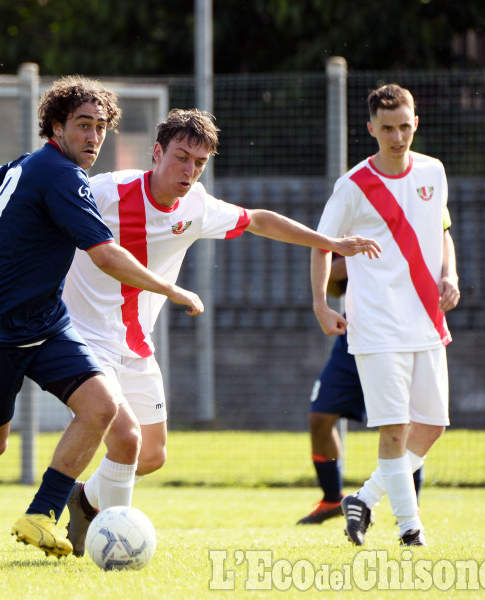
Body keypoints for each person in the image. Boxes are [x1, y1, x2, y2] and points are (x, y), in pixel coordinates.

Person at [0, 76, 204, 568]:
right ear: (55, 126)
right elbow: (105, 254)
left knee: (100, 408)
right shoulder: (60, 175)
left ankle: (41, 514)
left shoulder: (27, 165)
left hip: (47, 323)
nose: (93, 137)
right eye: (82, 125)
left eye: (100, 127)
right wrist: (171, 288)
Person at [61, 108, 382, 556]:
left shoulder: (198, 207)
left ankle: (83, 498)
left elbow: (260, 220)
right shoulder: (104, 191)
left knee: (151, 455)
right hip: (83, 338)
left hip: (135, 346)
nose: (188, 170)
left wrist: (328, 243)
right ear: (156, 153)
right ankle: (114, 551)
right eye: (180, 157)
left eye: (199, 162)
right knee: (126, 439)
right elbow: (46, 219)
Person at [310, 83, 460, 547]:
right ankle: (410, 530)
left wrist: (450, 274)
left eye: (404, 127)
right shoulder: (353, 185)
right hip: (376, 324)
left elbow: (442, 229)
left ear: (416, 123)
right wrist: (321, 303)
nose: (397, 137)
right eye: (387, 129)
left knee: (432, 425)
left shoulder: (433, 170)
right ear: (371, 129)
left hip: (428, 322)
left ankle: (364, 498)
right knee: (393, 429)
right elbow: (321, 244)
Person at [296, 255, 423, 525]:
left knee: (404, 424)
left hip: (399, 333)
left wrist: (358, 261)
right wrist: (347, 259)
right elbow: (333, 283)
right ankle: (332, 499)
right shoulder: (350, 222)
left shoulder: (411, 220)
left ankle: (411, 507)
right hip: (354, 334)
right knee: (319, 417)